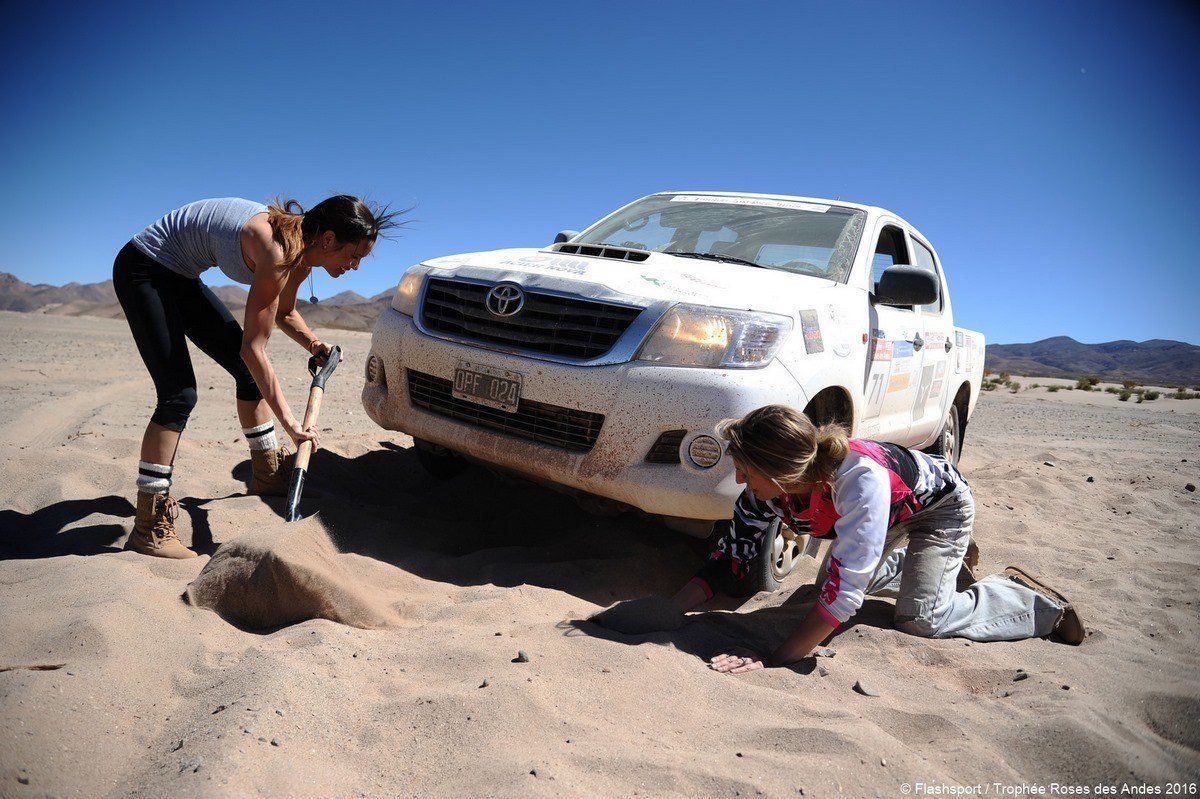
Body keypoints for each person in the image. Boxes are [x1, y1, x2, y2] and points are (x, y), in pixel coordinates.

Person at [592, 404, 1086, 671]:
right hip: (884, 520)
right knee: (829, 579)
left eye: (746, 470)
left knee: (921, 619)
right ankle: (937, 568)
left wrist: (775, 657)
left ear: (783, 471)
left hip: (938, 510)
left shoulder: (858, 481)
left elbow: (842, 600)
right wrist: (675, 609)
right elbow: (730, 559)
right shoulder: (767, 492)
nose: (740, 481)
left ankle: (1030, 602)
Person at [113, 195, 400, 558]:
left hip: (180, 276)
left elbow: (284, 312)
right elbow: (253, 348)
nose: (355, 266)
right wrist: (293, 425)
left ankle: (265, 473)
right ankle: (148, 525)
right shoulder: (278, 249)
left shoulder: (299, 254)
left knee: (248, 377)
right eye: (354, 255)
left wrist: (313, 343)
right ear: (328, 239)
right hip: (144, 267)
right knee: (178, 394)